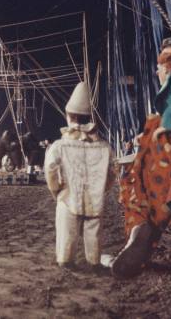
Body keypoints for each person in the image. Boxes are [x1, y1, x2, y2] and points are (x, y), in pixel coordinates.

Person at [111, 36, 171, 278]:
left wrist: (165, 125)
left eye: (161, 64)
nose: (157, 70)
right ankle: (139, 238)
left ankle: (138, 235)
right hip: (168, 153)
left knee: (143, 191)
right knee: (143, 192)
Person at [44, 82, 115, 270]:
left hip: (68, 196)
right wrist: (102, 190)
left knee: (67, 229)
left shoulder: (59, 146)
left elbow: (51, 171)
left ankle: (66, 260)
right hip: (95, 197)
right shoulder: (105, 147)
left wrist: (56, 192)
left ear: (69, 116)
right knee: (94, 230)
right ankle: (93, 261)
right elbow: (111, 173)